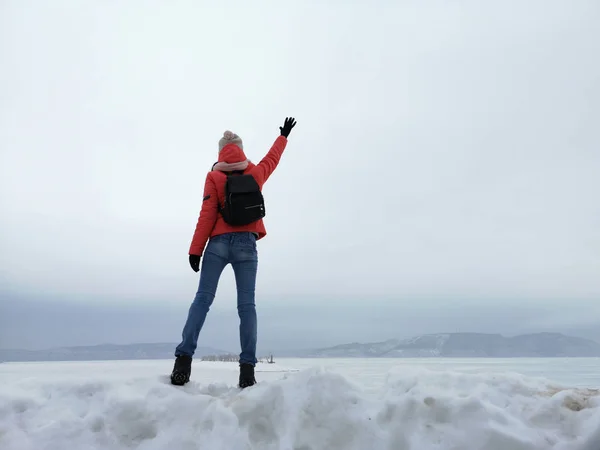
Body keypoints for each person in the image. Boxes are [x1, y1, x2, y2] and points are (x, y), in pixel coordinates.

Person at [171, 117, 297, 388]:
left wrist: (195, 250)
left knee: (203, 299)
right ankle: (247, 370)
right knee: (247, 306)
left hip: (216, 243)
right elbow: (271, 160)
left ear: (220, 153)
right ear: (240, 150)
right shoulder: (254, 173)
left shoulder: (214, 176)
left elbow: (206, 214)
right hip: (246, 245)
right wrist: (283, 136)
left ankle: (183, 361)